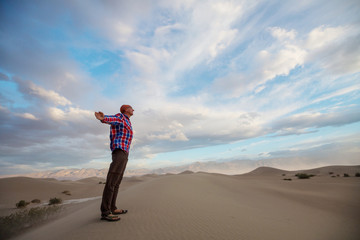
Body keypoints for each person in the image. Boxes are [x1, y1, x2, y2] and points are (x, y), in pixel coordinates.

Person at [94, 105, 134, 221]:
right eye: (131, 108)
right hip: (119, 151)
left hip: (124, 152)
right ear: (125, 109)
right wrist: (103, 118)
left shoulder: (127, 121)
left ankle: (112, 207)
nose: (133, 110)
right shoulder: (120, 117)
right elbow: (112, 119)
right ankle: (105, 212)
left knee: (116, 183)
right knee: (112, 182)